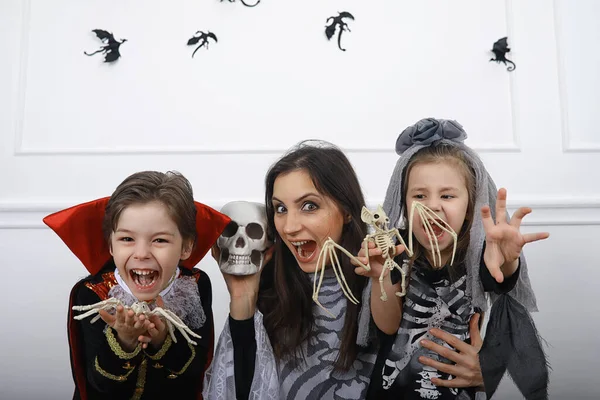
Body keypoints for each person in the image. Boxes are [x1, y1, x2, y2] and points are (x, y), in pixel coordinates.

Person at [365, 118, 550, 400]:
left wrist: (508, 259)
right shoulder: (397, 248)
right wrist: (380, 277)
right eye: (419, 195)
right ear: (404, 202)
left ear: (469, 207)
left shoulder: (478, 252)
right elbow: (388, 326)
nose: (432, 206)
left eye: (448, 195)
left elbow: (500, 276)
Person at [204, 141, 394, 400]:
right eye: (280, 209)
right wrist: (243, 298)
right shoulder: (271, 288)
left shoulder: (384, 282)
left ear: (348, 211)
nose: (289, 227)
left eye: (309, 206)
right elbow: (237, 392)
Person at [44, 171, 230, 400]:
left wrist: (163, 341)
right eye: (127, 239)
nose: (141, 254)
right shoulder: (94, 294)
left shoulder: (194, 287)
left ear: (186, 247)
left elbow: (194, 376)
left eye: (160, 240)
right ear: (110, 245)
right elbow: (97, 385)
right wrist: (124, 342)